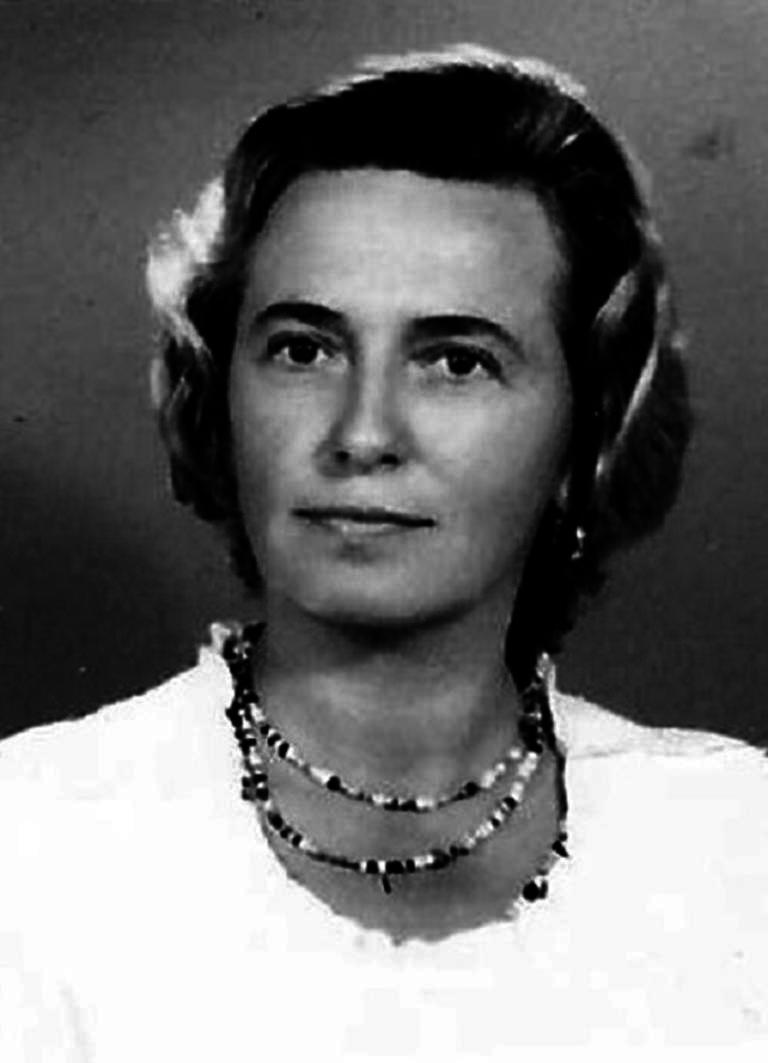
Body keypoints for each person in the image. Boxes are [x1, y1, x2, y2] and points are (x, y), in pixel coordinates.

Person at [1, 44, 766, 1057]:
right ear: (219, 392)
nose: (362, 433)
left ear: (590, 428)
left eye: (456, 361)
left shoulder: (733, 843)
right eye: (303, 349)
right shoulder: (31, 844)